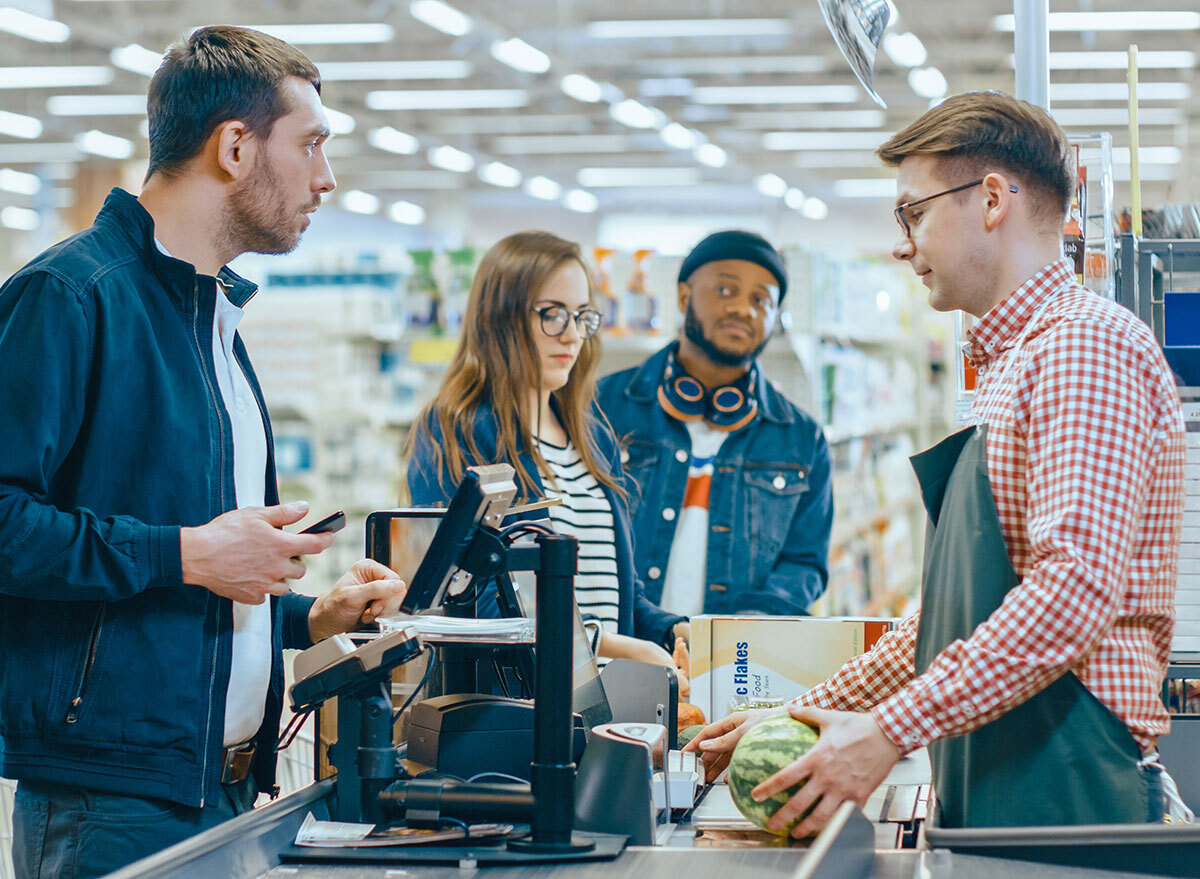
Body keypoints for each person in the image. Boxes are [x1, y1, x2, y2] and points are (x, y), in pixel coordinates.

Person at [687, 91, 1187, 835]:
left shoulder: (1082, 348)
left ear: (990, 200)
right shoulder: (1018, 363)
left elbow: (1072, 590)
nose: (901, 242)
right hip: (1015, 784)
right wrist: (796, 714)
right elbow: (955, 617)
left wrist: (890, 731)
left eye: (912, 212)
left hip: (1075, 793)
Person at [0, 26, 407, 878]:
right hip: (108, 801)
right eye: (311, 146)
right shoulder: (70, 297)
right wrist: (192, 551)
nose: (326, 178)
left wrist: (304, 619)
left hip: (217, 790)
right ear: (233, 146)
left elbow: (183, 587)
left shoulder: (212, 318)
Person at [407, 231, 687, 666]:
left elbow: (617, 592)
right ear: (499, 318)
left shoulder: (593, 436)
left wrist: (671, 630)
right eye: (552, 315)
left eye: (581, 315)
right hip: (518, 709)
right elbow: (461, 597)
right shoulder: (457, 429)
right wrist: (602, 645)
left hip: (608, 709)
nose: (572, 335)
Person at [596, 230, 832, 617]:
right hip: (616, 651)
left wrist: (747, 629)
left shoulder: (802, 438)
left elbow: (805, 562)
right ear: (684, 296)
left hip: (734, 662)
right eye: (725, 290)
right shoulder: (602, 407)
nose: (744, 309)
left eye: (761, 300)